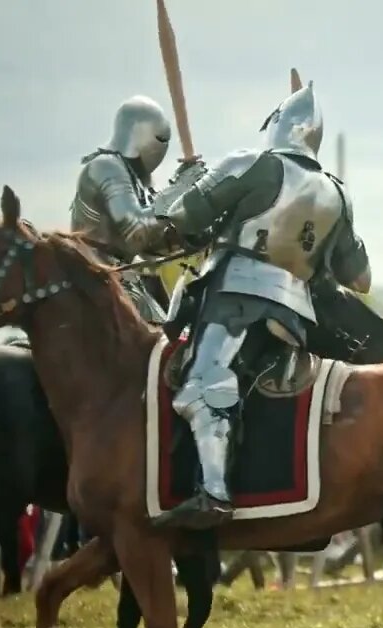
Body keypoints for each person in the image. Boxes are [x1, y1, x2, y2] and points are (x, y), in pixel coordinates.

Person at [150, 73, 371, 529]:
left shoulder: (249, 163)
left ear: (276, 124)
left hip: (236, 295)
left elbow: (178, 221)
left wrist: (187, 179)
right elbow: (361, 278)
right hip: (294, 314)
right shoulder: (337, 192)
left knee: (204, 383)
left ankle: (213, 493)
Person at [69, 95, 178, 324]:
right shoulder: (106, 167)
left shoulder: (137, 179)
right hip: (95, 275)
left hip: (124, 274)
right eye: (159, 139)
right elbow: (137, 231)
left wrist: (193, 200)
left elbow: (155, 248)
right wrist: (176, 191)